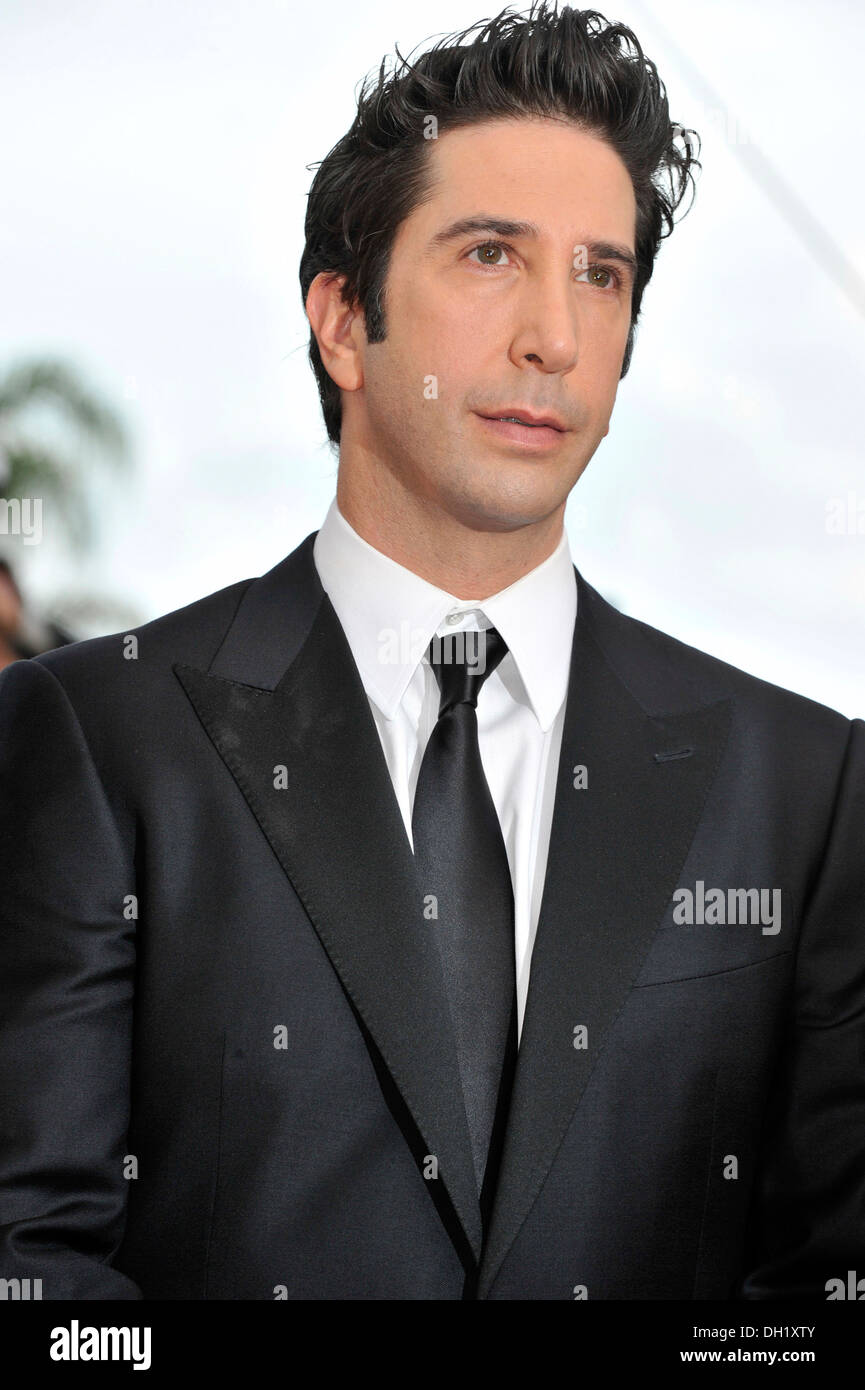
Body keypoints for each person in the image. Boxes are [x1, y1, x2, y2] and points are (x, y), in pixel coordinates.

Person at [0, 3, 862, 1301]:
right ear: (343, 320)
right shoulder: (97, 737)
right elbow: (27, 1258)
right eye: (487, 256)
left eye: (599, 273)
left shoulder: (807, 787)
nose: (553, 339)